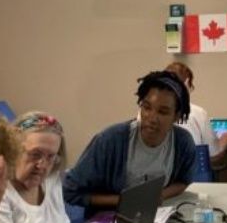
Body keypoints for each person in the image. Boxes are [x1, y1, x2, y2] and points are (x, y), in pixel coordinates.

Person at [64, 70, 197, 213]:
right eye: (146, 107)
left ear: (176, 116)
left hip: (154, 216)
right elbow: (70, 191)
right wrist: (126, 200)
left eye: (163, 112)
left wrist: (159, 196)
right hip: (108, 220)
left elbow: (184, 181)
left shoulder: (183, 141)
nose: (152, 118)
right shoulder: (110, 141)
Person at [165, 62, 227, 164]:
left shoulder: (147, 112)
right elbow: (214, 155)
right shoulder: (197, 113)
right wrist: (225, 140)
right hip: (193, 178)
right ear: (187, 82)